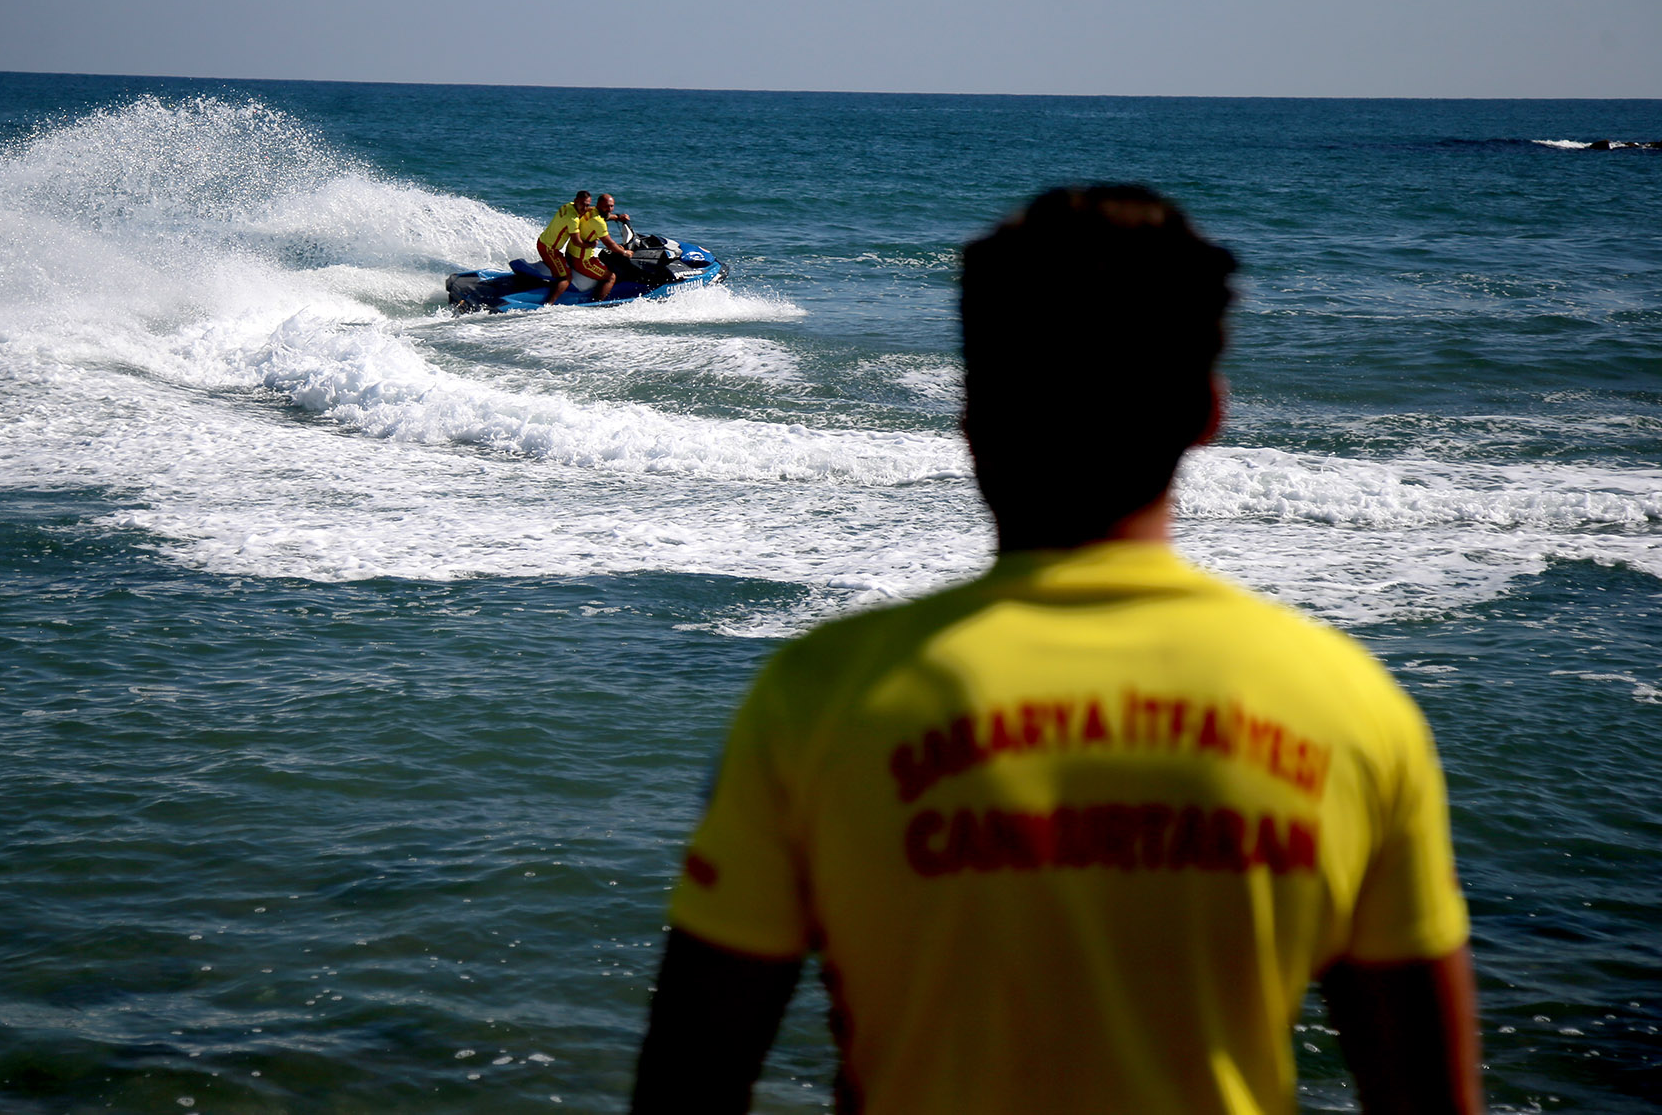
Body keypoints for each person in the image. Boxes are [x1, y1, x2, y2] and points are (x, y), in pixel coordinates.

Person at [631, 186, 1481, 1115]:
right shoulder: (1349, 708)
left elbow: (689, 1086)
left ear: (970, 412)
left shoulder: (821, 698)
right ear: (1207, 411)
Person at [536, 190, 592, 308]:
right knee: (566, 277)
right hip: (549, 249)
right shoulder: (573, 219)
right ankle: (549, 304)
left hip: (542, 242)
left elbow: (588, 210)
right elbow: (577, 242)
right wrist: (590, 244)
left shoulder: (568, 206)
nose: (585, 208)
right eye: (582, 204)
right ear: (576, 201)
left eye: (587, 205)